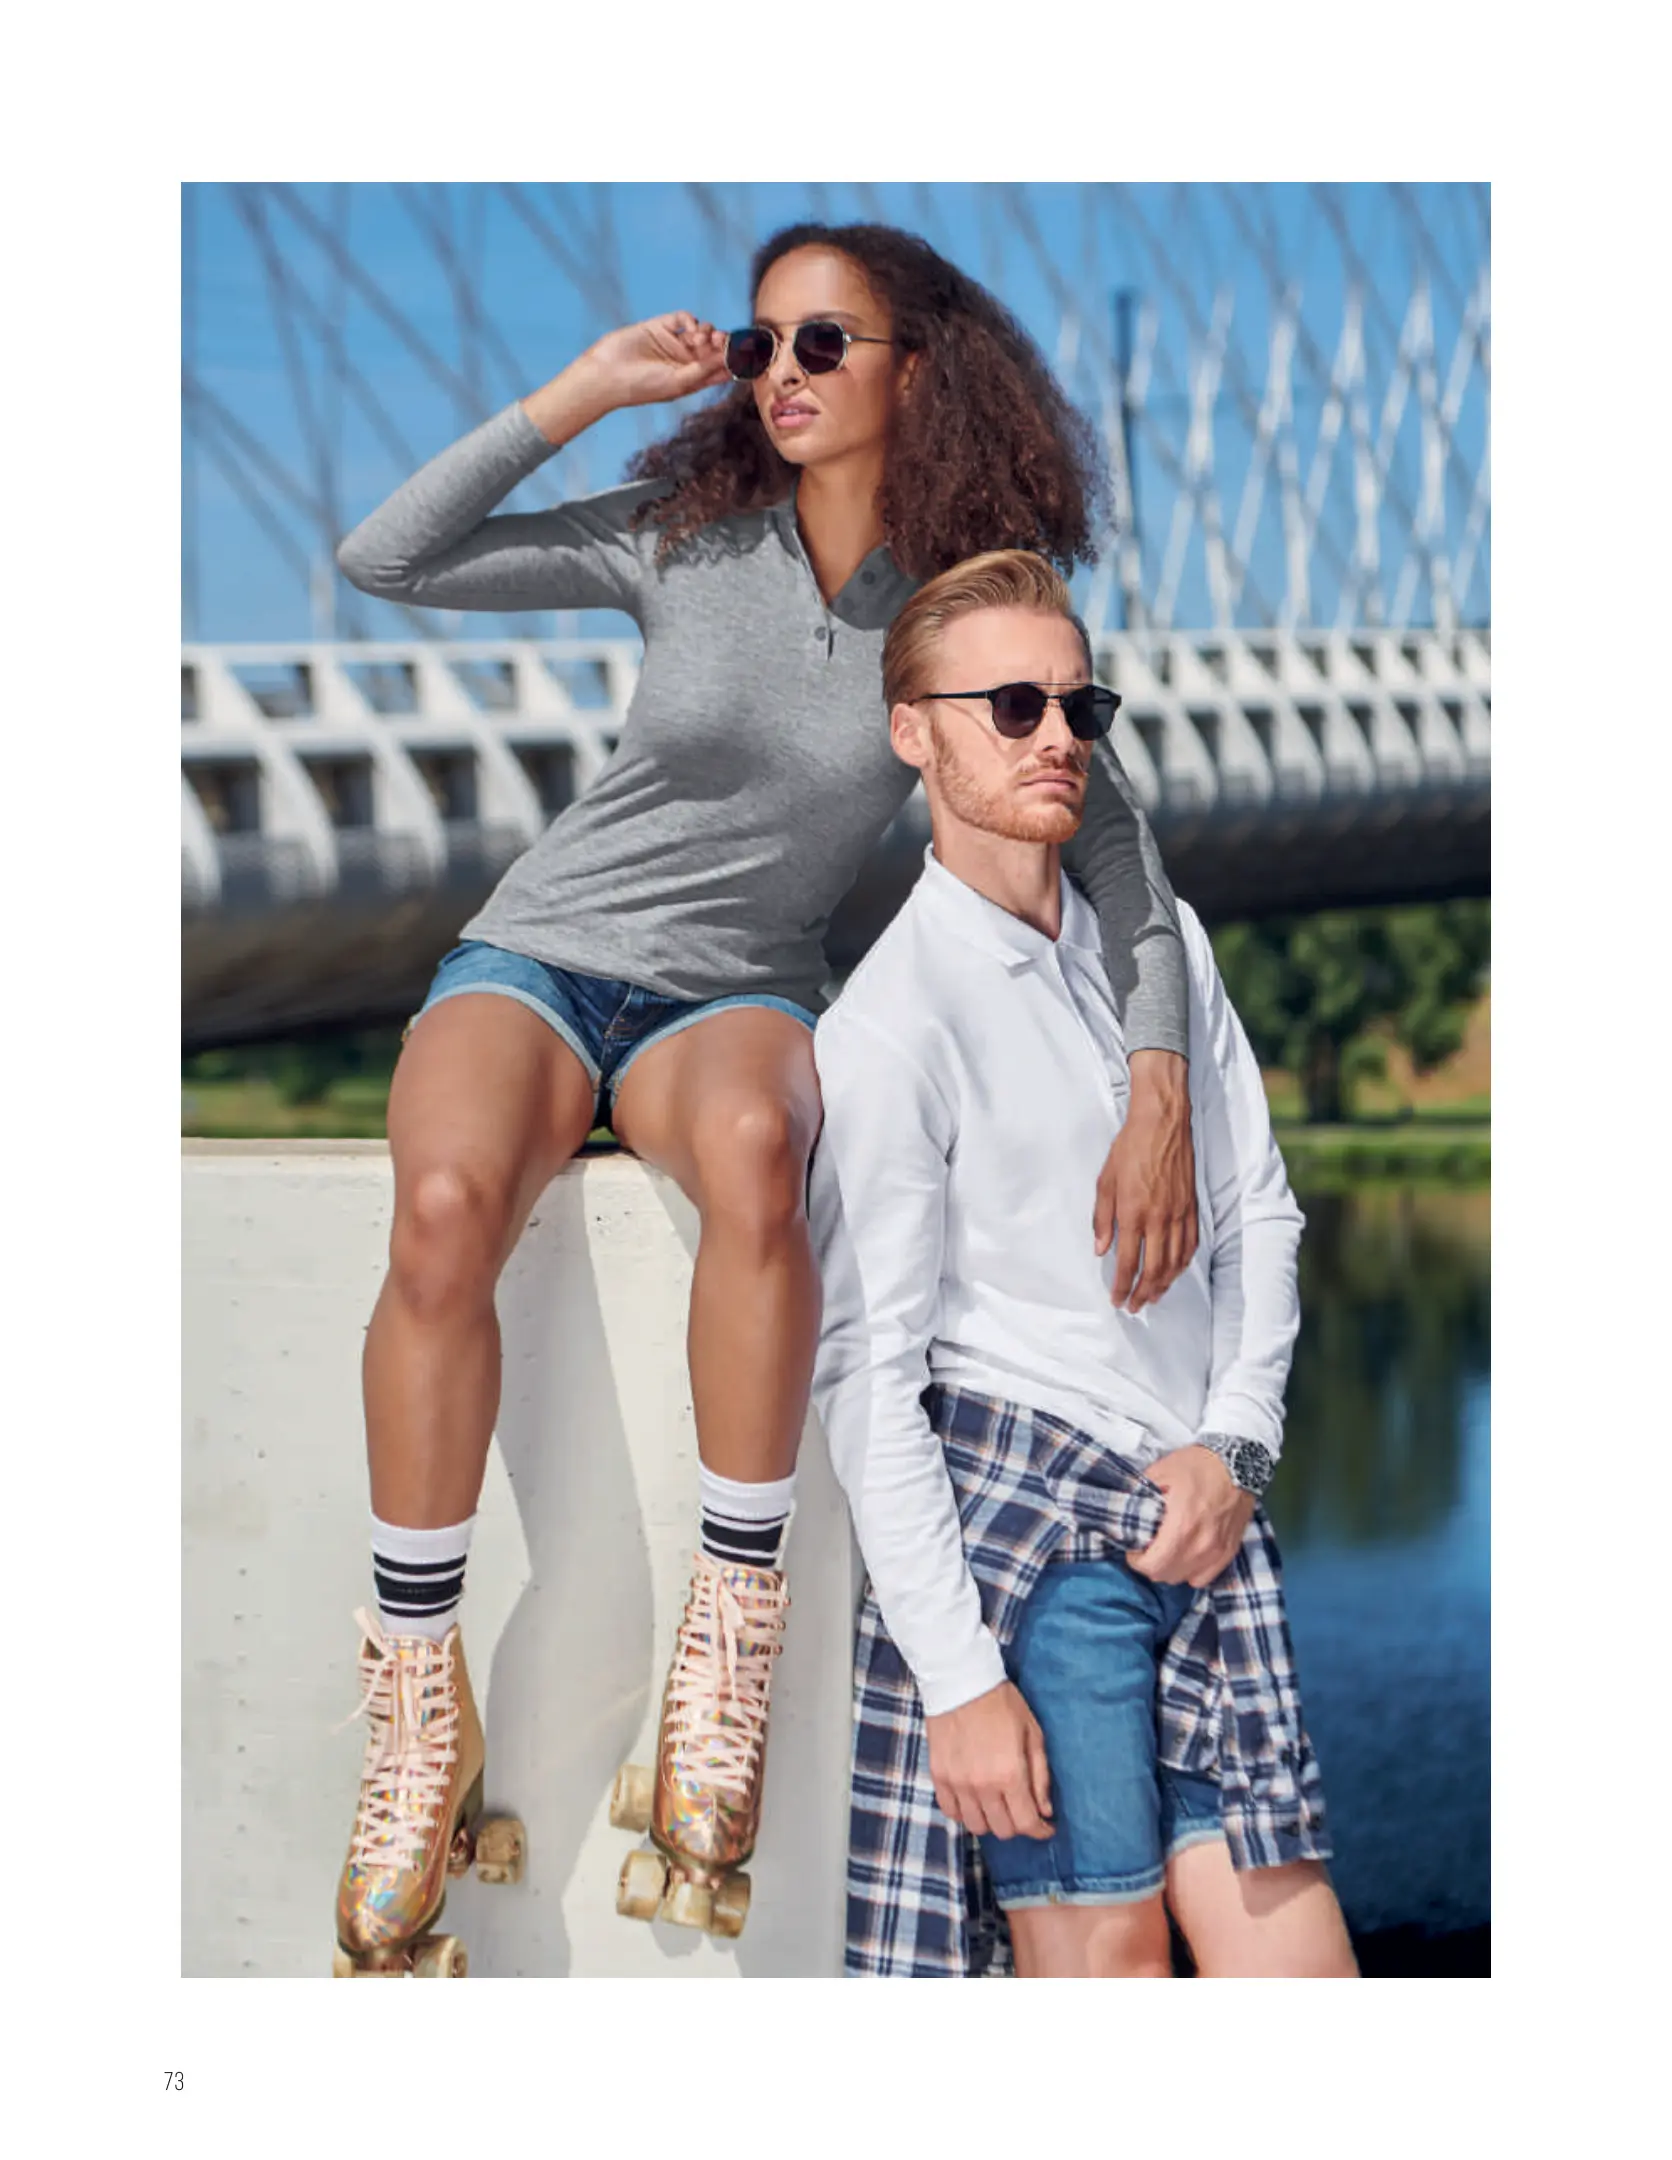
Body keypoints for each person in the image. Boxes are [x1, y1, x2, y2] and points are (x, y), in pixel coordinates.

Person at [328, 221, 1201, 1972]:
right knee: (442, 1210)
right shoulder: (687, 531)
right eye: (761, 342)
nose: (781, 373)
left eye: (823, 342)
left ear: (916, 372)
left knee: (755, 1154)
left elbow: (1117, 855)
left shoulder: (961, 608)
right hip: (543, 951)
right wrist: (587, 390)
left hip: (732, 991)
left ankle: (729, 1640)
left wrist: (1160, 1075)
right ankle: (417, 1700)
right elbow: (386, 558)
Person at [808, 549, 1359, 1978]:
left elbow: (1260, 1216)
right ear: (912, 731)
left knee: (1305, 1979)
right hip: (1046, 1565)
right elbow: (869, 1378)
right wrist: (960, 1683)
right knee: (1106, 1978)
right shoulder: (891, 1026)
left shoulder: (1159, 952)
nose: (1056, 735)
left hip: (1206, 1534)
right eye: (1011, 705)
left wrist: (1239, 1447)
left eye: (1077, 704)